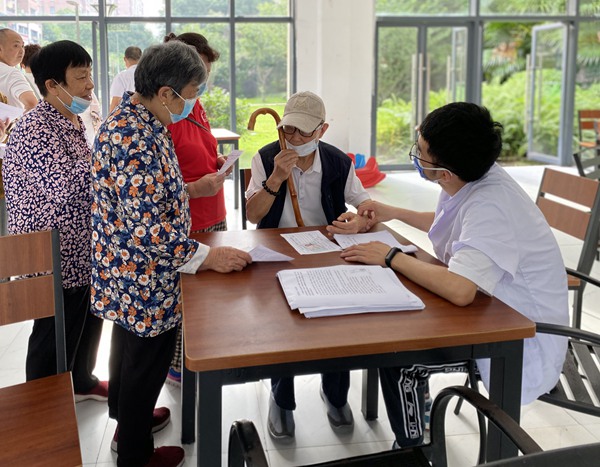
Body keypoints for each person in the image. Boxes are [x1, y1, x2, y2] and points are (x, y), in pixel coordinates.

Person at [332, 102, 569, 448]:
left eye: (421, 151)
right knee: (395, 325)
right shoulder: (474, 174)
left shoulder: (491, 205)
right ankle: (413, 434)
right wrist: (391, 212)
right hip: (492, 308)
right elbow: (455, 224)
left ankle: (415, 449)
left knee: (400, 354)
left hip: (519, 334)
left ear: (445, 173)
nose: (416, 154)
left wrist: (390, 255)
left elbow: (460, 290)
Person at [90, 40, 252, 467]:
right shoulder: (135, 135)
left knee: (128, 350)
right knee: (145, 360)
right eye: (191, 94)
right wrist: (208, 257)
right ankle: (137, 455)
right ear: (166, 93)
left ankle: (130, 421)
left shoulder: (137, 119)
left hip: (129, 266)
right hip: (142, 272)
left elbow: (147, 195)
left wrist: (191, 190)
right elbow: (150, 229)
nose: (191, 105)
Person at [245, 90, 371, 441]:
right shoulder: (266, 157)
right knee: (282, 327)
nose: (296, 139)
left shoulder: (336, 162)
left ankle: (335, 394)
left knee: (337, 324)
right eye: (290, 130)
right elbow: (253, 214)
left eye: (305, 132)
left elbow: (366, 204)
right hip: (276, 249)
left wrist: (358, 222)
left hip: (327, 250)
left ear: (323, 129)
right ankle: (281, 399)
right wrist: (274, 179)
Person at [2, 40, 108, 400]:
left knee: (86, 318)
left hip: (80, 246)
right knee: (53, 331)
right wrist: (114, 168)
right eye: (81, 77)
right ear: (52, 85)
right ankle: (43, 407)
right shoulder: (36, 129)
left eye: (89, 74)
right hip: (50, 254)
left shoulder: (71, 120)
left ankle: (82, 381)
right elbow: (66, 186)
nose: (90, 85)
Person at [162, 31, 229, 386]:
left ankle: (202, 359)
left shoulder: (194, 104)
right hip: (189, 220)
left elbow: (198, 149)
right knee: (186, 302)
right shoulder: (164, 116)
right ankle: (179, 369)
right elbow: (158, 187)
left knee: (209, 301)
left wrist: (215, 161)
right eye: (197, 75)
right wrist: (194, 188)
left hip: (212, 211)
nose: (201, 84)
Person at [0, 28, 38, 111]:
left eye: (22, 46)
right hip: (10, 123)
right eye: (16, 45)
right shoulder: (11, 73)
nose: (22, 50)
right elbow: (32, 104)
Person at [109, 45, 142, 113]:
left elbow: (116, 102)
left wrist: (107, 120)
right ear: (141, 58)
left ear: (125, 59)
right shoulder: (149, 75)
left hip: (128, 117)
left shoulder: (121, 76)